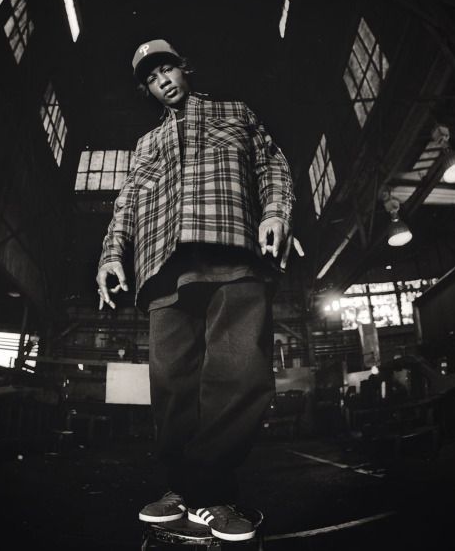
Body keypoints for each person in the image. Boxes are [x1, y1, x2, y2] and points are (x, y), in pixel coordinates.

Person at [96, 39, 294, 542]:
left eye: (167, 69)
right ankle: (182, 489)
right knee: (171, 383)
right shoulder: (146, 145)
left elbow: (271, 164)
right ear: (148, 89)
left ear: (185, 69)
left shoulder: (235, 112)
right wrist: (112, 254)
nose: (162, 80)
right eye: (151, 78)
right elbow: (127, 204)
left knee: (240, 370)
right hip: (163, 265)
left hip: (232, 249)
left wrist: (274, 213)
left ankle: (209, 492)